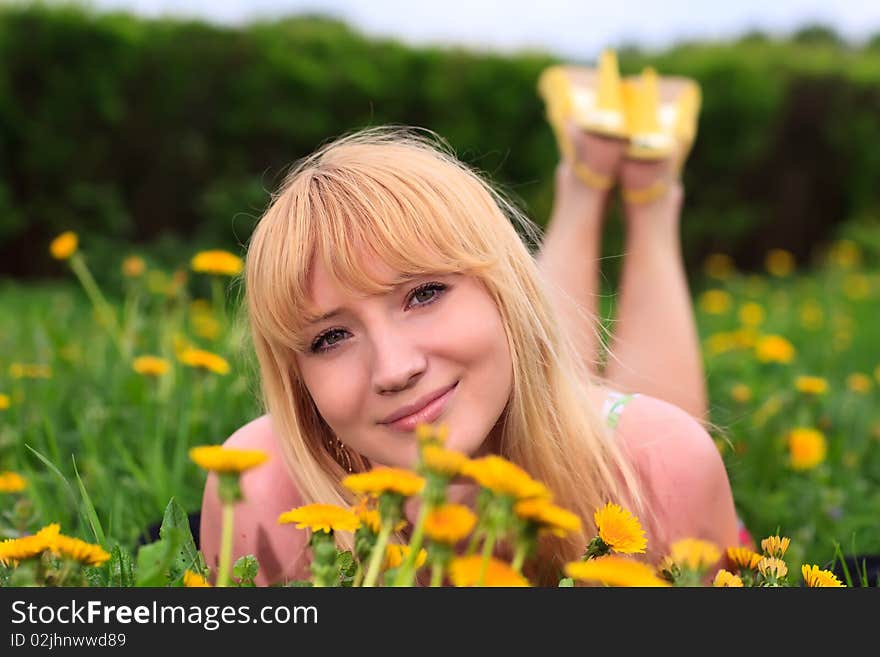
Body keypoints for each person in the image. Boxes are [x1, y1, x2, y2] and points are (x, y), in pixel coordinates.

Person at [198, 121, 742, 586]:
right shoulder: (261, 491)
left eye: (424, 293)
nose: (395, 369)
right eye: (330, 338)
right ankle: (585, 178)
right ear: (296, 380)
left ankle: (646, 195)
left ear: (507, 288)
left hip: (632, 457)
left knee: (649, 445)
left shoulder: (665, 467)